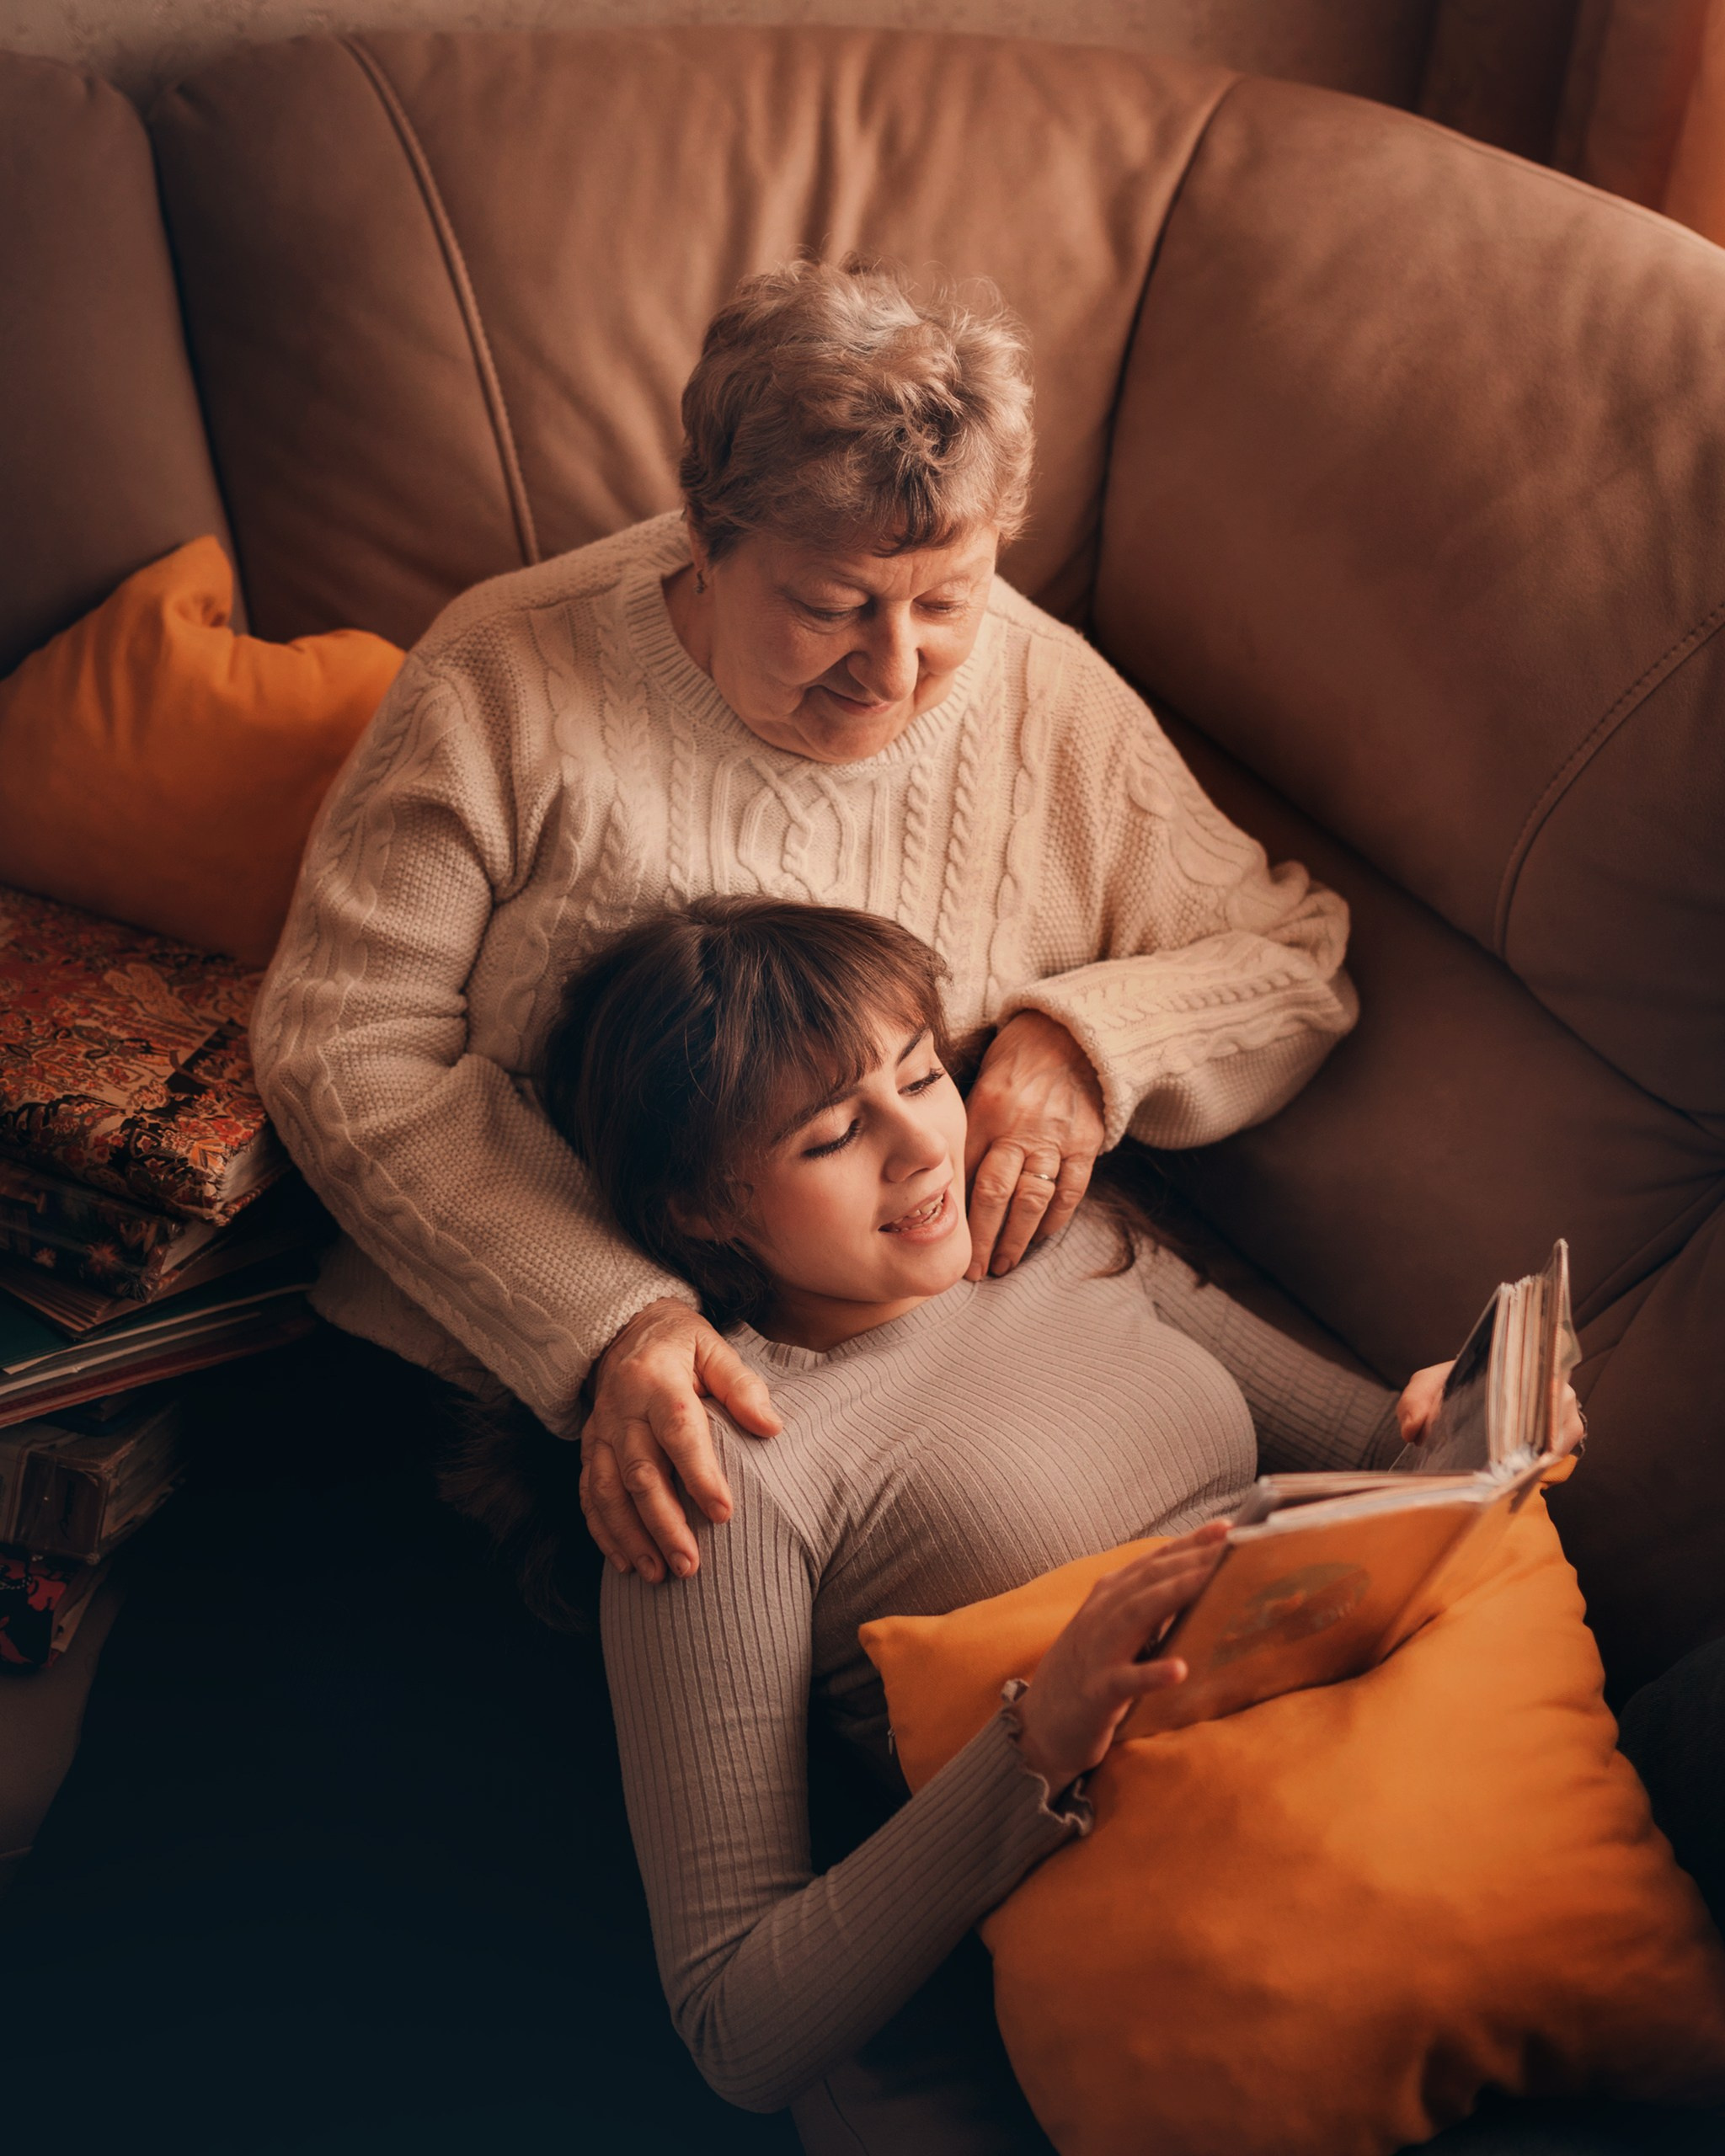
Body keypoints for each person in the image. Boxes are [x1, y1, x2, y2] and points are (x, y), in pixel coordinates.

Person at [250, 258, 1359, 1584]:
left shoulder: (1045, 696)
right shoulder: (503, 674)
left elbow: (1291, 963)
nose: (896, 670)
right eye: (831, 607)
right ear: (702, 538)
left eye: (947, 603)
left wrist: (1084, 1045)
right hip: (465, 1381)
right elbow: (344, 1049)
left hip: (886, 1410)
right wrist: (612, 1317)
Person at [538, 895, 1557, 2155]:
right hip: (1247, 1960)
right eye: (836, 1134)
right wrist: (1039, 1738)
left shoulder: (1060, 1243)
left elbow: (1369, 1450)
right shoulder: (721, 1474)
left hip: (1454, 1786)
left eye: (922, 1075)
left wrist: (1479, 1412)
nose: (922, 1149)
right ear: (704, 1207)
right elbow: (737, 2022)